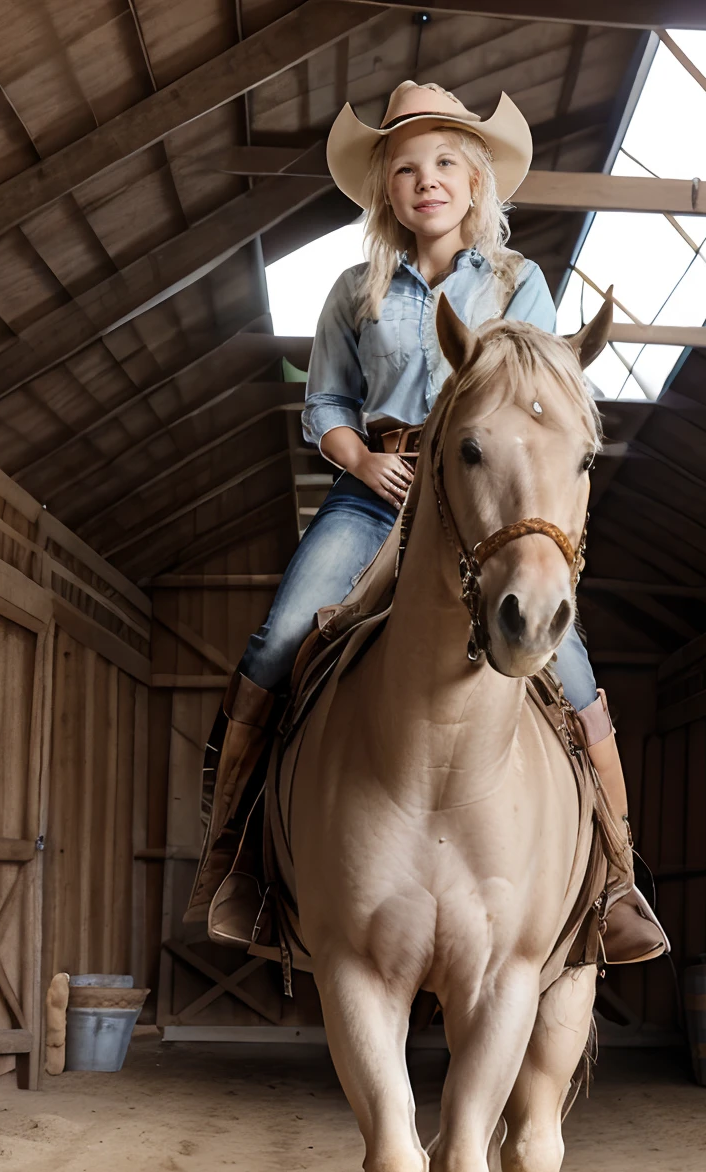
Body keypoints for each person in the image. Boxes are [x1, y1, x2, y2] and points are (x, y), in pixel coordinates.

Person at [187, 80, 665, 963]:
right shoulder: (350, 291)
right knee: (278, 638)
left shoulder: (521, 288)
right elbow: (324, 401)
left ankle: (614, 880)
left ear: (477, 182)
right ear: (387, 192)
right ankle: (236, 859)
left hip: (484, 505)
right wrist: (362, 459)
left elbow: (539, 402)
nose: (427, 180)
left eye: (446, 162)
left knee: (574, 671)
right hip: (376, 495)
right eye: (406, 168)